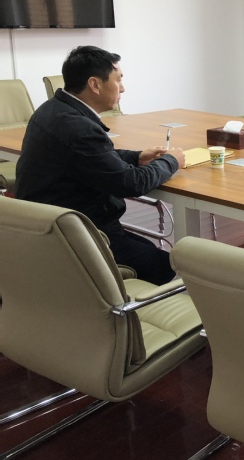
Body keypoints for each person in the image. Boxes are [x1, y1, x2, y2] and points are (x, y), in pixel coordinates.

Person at [15, 46, 186, 285]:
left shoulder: (52, 110)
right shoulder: (80, 128)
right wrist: (171, 161)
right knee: (165, 265)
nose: (123, 88)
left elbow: (90, 157)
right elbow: (131, 183)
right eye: (118, 80)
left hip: (47, 228)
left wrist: (136, 157)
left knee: (150, 250)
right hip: (76, 236)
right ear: (95, 85)